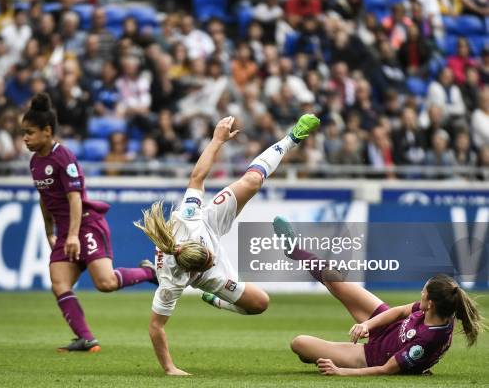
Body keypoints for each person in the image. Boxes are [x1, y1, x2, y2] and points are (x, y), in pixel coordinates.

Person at [134, 114, 320, 375]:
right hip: (203, 277)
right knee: (260, 304)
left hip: (208, 222)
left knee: (253, 181)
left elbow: (197, 176)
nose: (215, 257)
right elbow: (156, 327)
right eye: (210, 261)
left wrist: (216, 140)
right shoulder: (173, 281)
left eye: (210, 256)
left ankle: (291, 138)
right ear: (193, 272)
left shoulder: (188, 221)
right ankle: (213, 297)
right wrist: (170, 368)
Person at [21, 93, 157, 352]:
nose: (25, 138)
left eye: (29, 132)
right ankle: (86, 338)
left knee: (105, 283)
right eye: (23, 133)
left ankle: (151, 273)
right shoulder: (35, 162)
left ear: (47, 131)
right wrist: (50, 232)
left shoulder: (65, 158)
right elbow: (44, 198)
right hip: (66, 230)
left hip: (85, 224)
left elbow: (75, 199)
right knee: (59, 282)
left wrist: (72, 235)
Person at [273, 217, 482, 376]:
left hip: (373, 356)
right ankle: (295, 251)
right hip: (388, 327)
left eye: (424, 292)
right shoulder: (441, 307)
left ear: (431, 304)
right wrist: (368, 325)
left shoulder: (427, 338)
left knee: (299, 344)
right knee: (333, 277)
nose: (421, 293)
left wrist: (341, 371)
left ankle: (318, 355)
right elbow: (400, 311)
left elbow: (386, 369)